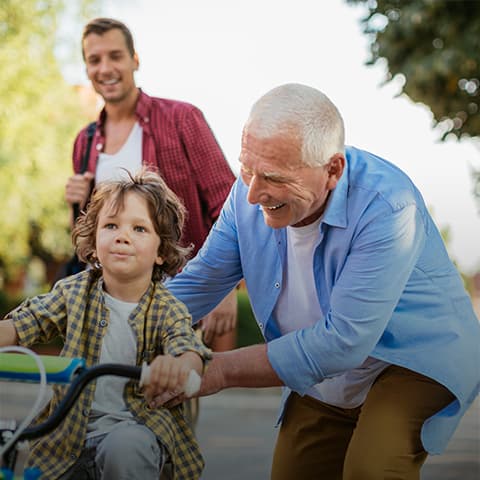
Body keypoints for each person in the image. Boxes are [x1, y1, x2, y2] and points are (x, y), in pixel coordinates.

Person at [154, 83, 480, 479]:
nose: (253, 193)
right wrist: (115, 319)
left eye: (272, 177)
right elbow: (200, 282)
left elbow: (343, 341)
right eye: (247, 169)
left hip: (411, 358)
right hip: (327, 369)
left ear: (333, 169)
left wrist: (217, 370)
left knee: (370, 469)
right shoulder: (246, 196)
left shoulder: (389, 206)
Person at [0, 169, 211, 480]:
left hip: (136, 429)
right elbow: (27, 320)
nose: (122, 235)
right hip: (68, 435)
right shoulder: (74, 292)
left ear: (161, 252)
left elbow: (188, 349)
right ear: (94, 240)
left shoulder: (167, 309)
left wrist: (179, 366)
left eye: (139, 229)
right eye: (111, 225)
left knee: (125, 448)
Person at [64, 17, 237, 348]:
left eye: (115, 56)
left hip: (177, 301)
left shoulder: (181, 119)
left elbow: (230, 206)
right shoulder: (84, 141)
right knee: (101, 396)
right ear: (86, 68)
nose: (105, 68)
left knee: (168, 393)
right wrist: (77, 205)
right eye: (94, 60)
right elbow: (89, 236)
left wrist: (226, 287)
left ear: (135, 60)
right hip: (108, 306)